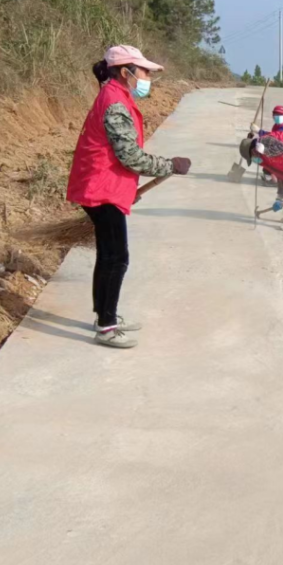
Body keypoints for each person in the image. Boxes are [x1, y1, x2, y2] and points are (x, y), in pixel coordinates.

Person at [66, 45, 191, 349]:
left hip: (104, 186)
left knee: (108, 255)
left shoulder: (116, 96)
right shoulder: (114, 104)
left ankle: (104, 315)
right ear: (126, 72)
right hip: (100, 189)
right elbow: (130, 156)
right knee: (117, 258)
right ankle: (107, 326)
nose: (148, 77)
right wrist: (169, 165)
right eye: (144, 71)